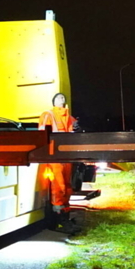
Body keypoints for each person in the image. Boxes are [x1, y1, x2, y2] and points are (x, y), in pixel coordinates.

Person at [39, 92, 79, 233]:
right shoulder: (48, 114)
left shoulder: (68, 117)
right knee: (58, 186)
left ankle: (65, 216)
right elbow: (42, 134)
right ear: (53, 102)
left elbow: (73, 132)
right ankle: (59, 217)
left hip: (65, 155)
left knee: (67, 186)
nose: (61, 99)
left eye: (62, 97)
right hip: (55, 155)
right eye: (58, 98)